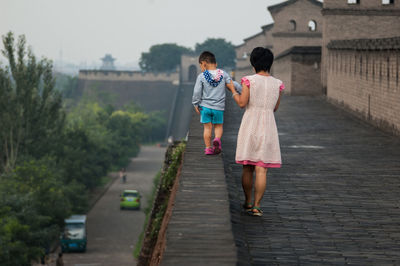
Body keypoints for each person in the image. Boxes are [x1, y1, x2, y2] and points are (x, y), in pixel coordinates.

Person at [228, 47, 284, 216]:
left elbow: (242, 103)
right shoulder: (278, 84)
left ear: (253, 63)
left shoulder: (248, 80)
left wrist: (232, 91)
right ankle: (257, 206)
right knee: (262, 169)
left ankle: (247, 201)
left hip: (250, 124)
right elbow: (274, 107)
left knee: (248, 167)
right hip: (268, 126)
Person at [192, 51, 235, 155]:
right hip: (218, 107)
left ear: (204, 63)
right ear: (215, 63)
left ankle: (208, 148)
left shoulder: (202, 76)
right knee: (218, 126)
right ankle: (216, 139)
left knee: (207, 128)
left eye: (201, 65)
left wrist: (195, 103)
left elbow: (197, 92)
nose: (201, 67)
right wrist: (241, 90)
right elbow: (232, 84)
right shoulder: (223, 74)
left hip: (205, 107)